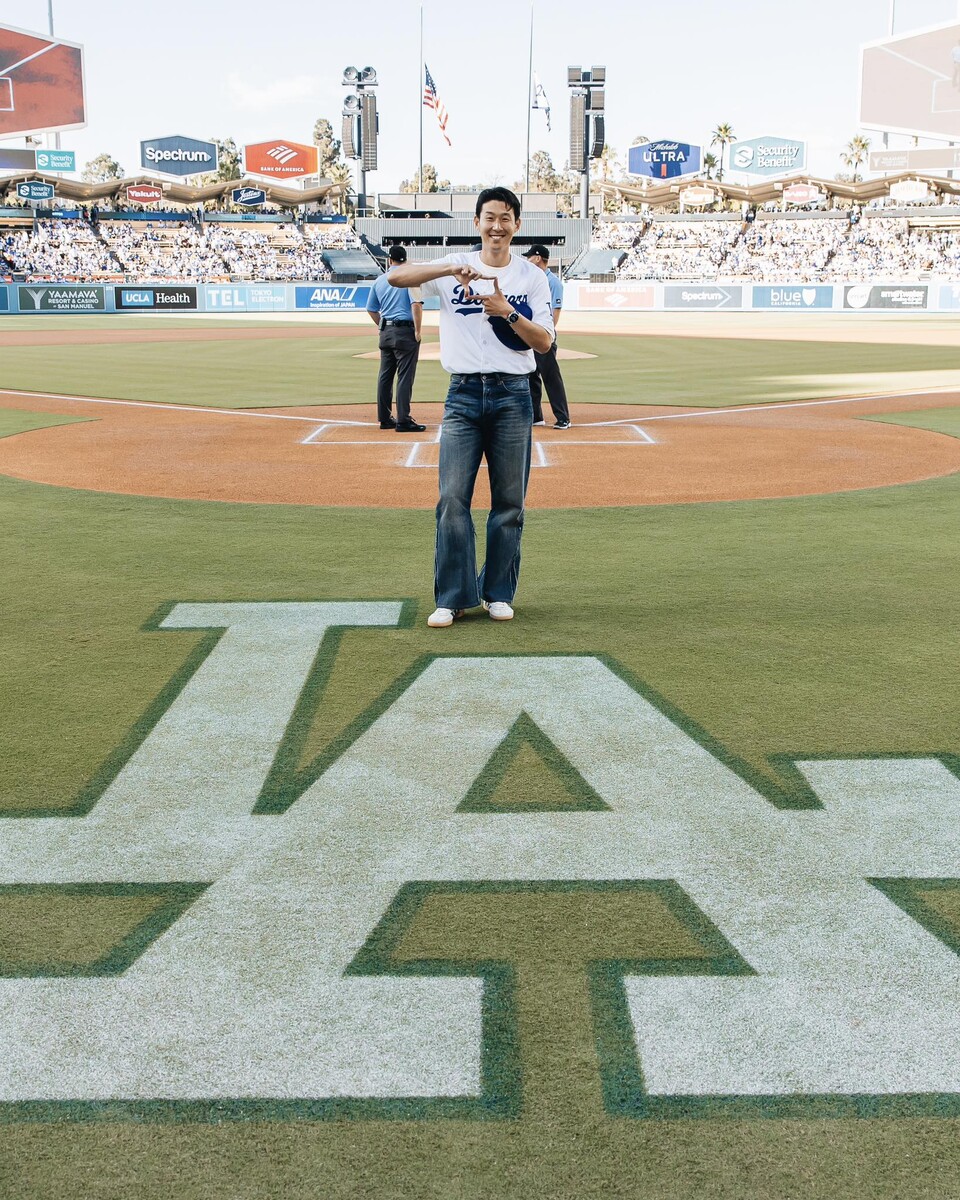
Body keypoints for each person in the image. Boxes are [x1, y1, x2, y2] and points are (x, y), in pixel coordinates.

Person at [388, 186, 554, 627]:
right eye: (489, 217)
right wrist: (447, 265)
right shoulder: (453, 269)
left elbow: (545, 342)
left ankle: (497, 592)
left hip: (513, 396)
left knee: (510, 503)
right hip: (461, 394)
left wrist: (507, 312)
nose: (496, 226)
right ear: (477, 222)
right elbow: (395, 278)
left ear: (517, 224)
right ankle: (453, 596)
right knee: (451, 499)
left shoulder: (531, 278)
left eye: (505, 218)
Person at [365, 246, 425, 431]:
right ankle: (403, 420)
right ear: (405, 260)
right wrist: (418, 330)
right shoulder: (410, 278)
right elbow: (416, 305)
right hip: (405, 331)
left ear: (390, 260)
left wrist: (382, 326)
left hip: (386, 331)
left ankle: (384, 418)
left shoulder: (380, 280)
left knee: (385, 376)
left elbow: (371, 309)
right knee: (405, 377)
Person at [522, 244, 571, 429]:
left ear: (537, 257)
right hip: (530, 334)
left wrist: (546, 335)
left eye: (529, 257)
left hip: (543, 336)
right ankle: (536, 416)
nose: (527, 260)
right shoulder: (533, 280)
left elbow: (555, 313)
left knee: (551, 377)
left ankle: (563, 417)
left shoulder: (553, 282)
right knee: (531, 376)